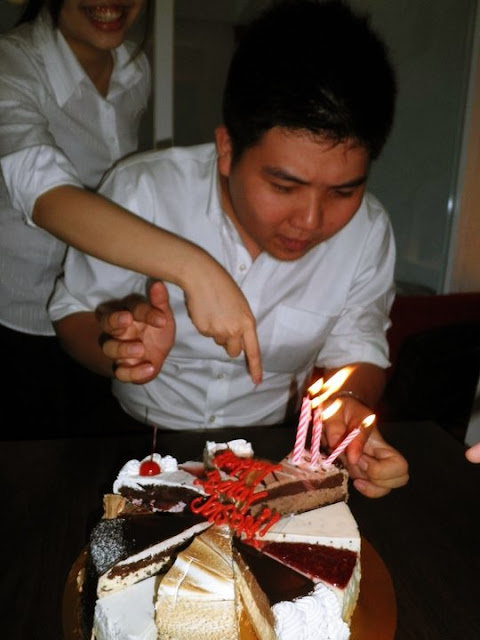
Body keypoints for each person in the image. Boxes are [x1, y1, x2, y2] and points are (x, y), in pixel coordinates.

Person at [50, 0, 409, 497]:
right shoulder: (143, 191)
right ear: (227, 149)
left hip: (271, 451)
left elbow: (360, 348)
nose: (310, 221)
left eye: (343, 191)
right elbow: (72, 315)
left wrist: (348, 404)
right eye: (283, 186)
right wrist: (123, 349)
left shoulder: (368, 231)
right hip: (127, 435)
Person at [0, 0, 261, 433]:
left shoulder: (132, 70)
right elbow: (47, 197)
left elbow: (129, 190)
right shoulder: (11, 65)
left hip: (99, 306)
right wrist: (197, 270)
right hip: (19, 318)